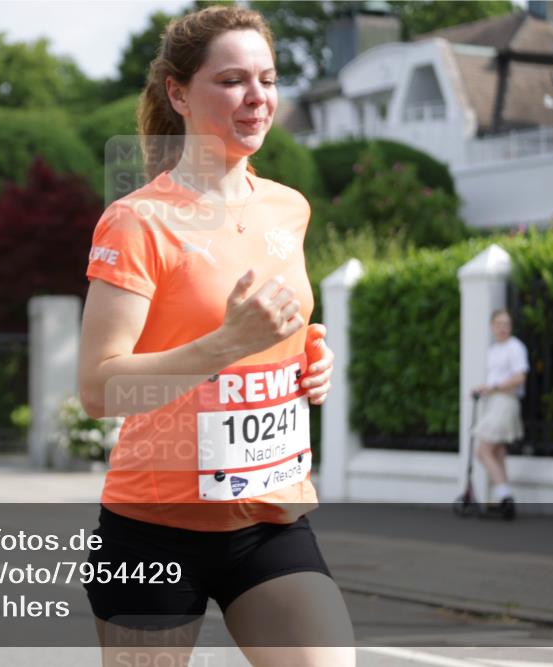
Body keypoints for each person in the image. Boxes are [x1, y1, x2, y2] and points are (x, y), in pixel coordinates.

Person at [77, 6, 354, 667]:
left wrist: (310, 362)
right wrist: (227, 342)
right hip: (154, 530)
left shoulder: (289, 207)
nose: (257, 97)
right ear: (178, 92)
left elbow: (277, 330)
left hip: (270, 520)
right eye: (231, 80)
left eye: (268, 78)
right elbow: (97, 387)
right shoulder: (137, 222)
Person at [471, 309, 529, 520]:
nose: (503, 328)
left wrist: (493, 387)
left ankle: (505, 496)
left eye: (506, 324)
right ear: (492, 326)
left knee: (482, 450)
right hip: (494, 402)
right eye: (499, 323)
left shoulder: (515, 348)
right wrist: (485, 389)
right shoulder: (494, 350)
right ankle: (504, 500)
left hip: (506, 401)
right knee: (497, 452)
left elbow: (519, 377)